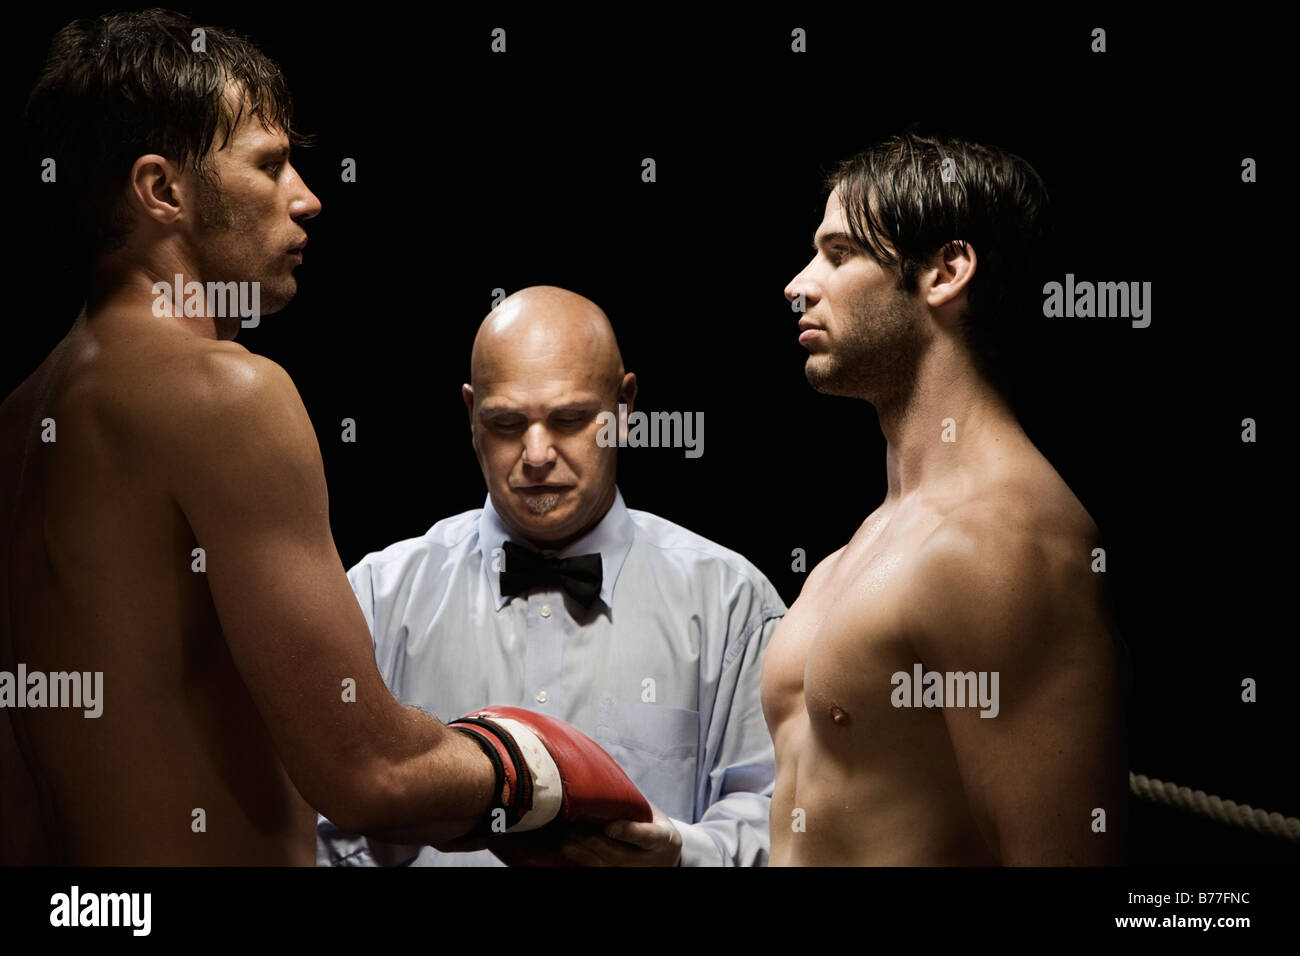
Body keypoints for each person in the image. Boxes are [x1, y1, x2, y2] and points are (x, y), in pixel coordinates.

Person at [0, 10, 647, 866]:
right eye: (268, 165)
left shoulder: (18, 419)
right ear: (163, 191)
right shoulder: (227, 394)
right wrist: (532, 766)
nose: (308, 195)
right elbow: (370, 773)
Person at [318, 286, 784, 866]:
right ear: (470, 415)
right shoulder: (376, 598)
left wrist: (678, 855)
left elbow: (779, 821)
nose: (536, 455)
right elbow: (319, 824)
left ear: (624, 407)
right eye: (507, 423)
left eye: (569, 419)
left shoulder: (731, 602)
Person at [763, 131, 1128, 865]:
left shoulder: (1003, 544)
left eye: (838, 254)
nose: (797, 284)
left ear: (945, 272)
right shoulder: (872, 540)